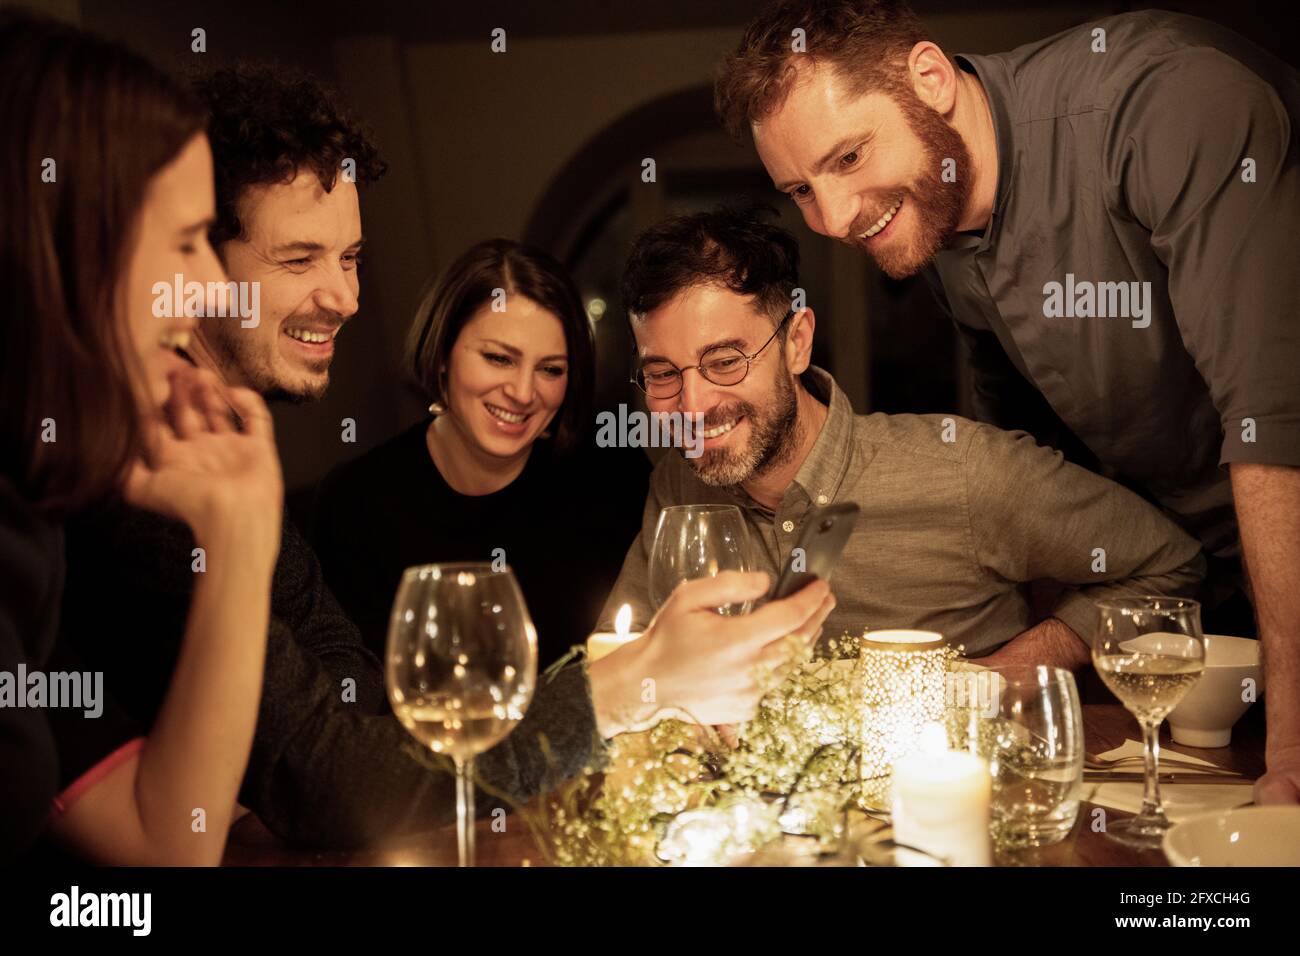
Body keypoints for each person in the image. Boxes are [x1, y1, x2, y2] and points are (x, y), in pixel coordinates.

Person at [58, 64, 833, 849]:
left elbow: (355, 718)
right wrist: (629, 686)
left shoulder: (228, 448)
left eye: (351, 257)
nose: (347, 297)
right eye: (298, 261)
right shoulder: (147, 487)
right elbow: (335, 787)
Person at [715, 0, 1300, 804]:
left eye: (848, 156)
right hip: (1200, 591)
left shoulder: (1166, 102)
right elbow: (1031, 451)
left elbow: (1273, 418)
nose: (836, 218)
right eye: (801, 190)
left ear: (929, 76)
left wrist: (1291, 756)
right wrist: (1033, 658)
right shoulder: (937, 216)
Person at [599, 206, 1205, 667]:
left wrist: (1012, 671)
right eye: (661, 375)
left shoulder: (967, 471)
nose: (694, 404)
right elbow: (621, 656)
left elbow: (1170, 564)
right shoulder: (678, 484)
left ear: (796, 342)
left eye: (725, 361)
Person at [0, 12, 283, 864]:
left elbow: (163, 845)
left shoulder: (27, 511)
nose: (209, 289)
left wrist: (240, 533)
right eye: (188, 242)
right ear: (61, 241)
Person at [311, 239, 649, 667]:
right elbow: (354, 706)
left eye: (551, 369)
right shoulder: (356, 503)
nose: (523, 392)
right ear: (441, 356)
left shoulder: (614, 480)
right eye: (498, 358)